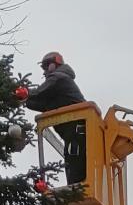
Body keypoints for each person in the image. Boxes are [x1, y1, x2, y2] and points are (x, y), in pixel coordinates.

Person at [24, 51, 87, 184]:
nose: (44, 71)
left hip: (77, 130)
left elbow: (38, 92)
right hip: (74, 132)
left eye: (46, 67)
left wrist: (23, 92)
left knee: (75, 163)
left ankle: (76, 191)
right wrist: (26, 101)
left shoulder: (58, 77)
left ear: (53, 65)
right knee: (73, 162)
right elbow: (42, 105)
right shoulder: (58, 94)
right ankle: (76, 191)